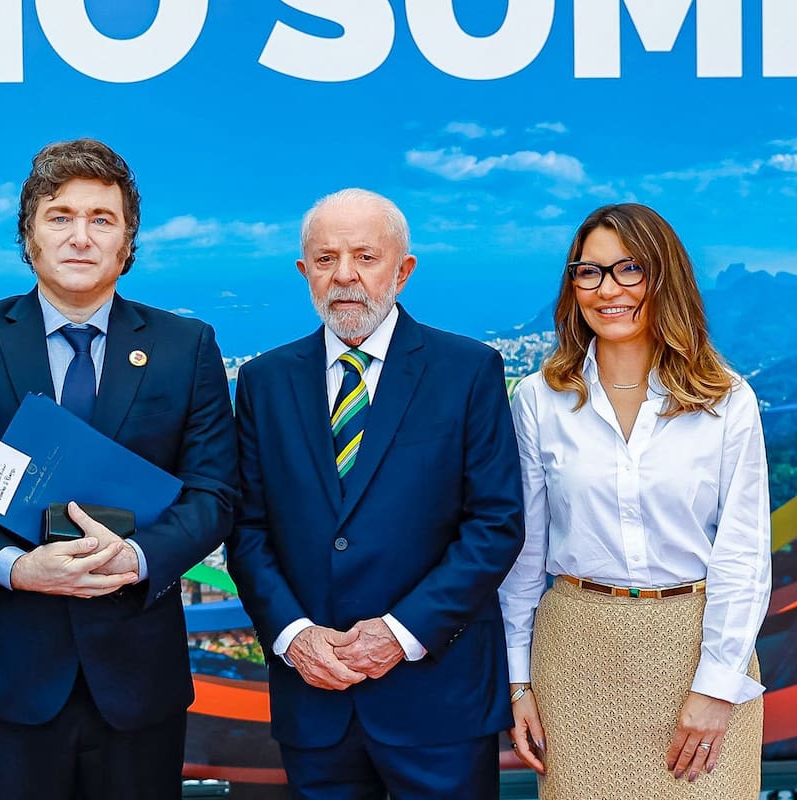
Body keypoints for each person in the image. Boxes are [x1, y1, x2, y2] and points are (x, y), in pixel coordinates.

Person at [0, 138, 237, 800]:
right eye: (60, 216)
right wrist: (17, 568)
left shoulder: (185, 347)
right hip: (8, 680)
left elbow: (215, 496)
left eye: (101, 219)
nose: (80, 237)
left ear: (127, 241)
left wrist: (139, 557)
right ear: (28, 235)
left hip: (139, 680)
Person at [226, 188, 524, 799]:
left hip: (438, 697)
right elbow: (247, 529)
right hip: (316, 693)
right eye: (326, 258)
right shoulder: (264, 381)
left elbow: (495, 524)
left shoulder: (468, 370)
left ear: (403, 270)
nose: (345, 276)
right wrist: (292, 636)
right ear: (303, 270)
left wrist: (401, 631)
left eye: (364, 256)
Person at [499, 203, 770, 799]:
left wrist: (716, 687)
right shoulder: (539, 400)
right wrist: (519, 684)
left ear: (663, 278)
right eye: (588, 272)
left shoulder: (727, 400)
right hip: (575, 655)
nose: (607, 290)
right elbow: (522, 557)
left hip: (697, 651)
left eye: (629, 271)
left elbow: (745, 555)